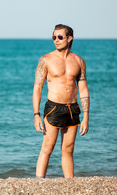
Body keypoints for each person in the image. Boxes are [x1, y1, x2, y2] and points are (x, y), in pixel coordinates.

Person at [33, 24, 90, 178]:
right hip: (53, 108)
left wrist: (86, 116)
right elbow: (37, 88)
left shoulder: (79, 61)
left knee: (68, 149)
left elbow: (83, 90)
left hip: (73, 109)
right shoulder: (46, 59)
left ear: (69, 38)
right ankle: (39, 182)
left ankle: (69, 183)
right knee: (47, 148)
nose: (56, 40)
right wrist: (36, 114)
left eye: (59, 37)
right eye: (53, 37)